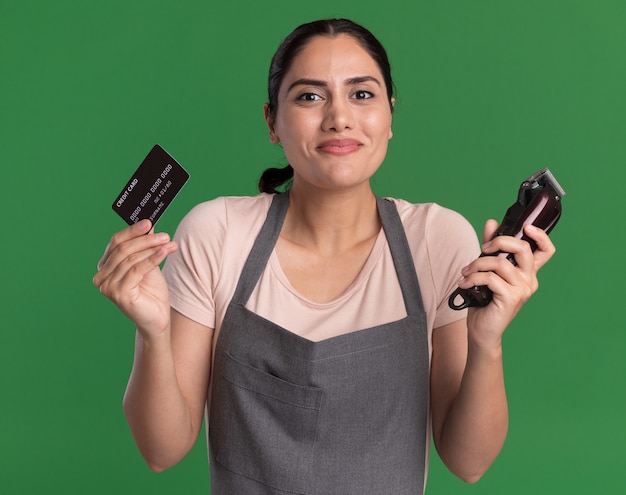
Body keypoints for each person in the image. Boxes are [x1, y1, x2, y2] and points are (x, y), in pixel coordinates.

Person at [93, 18, 556, 494]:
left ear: (390, 116)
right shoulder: (218, 233)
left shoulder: (437, 240)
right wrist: (152, 333)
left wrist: (486, 343)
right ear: (272, 121)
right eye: (310, 96)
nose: (339, 117)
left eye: (361, 94)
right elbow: (160, 450)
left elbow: (469, 462)